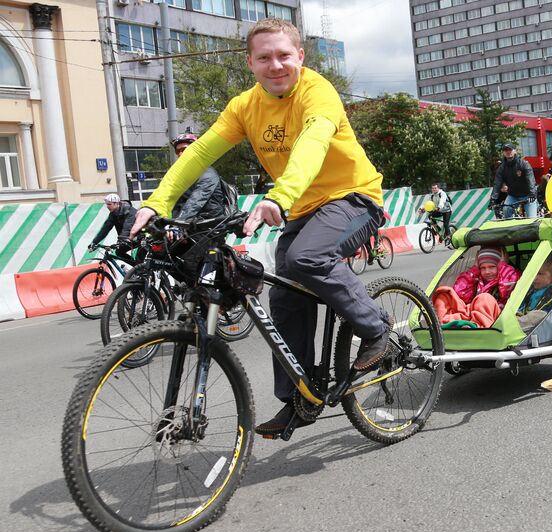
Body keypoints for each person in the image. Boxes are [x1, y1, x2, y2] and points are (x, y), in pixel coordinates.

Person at [129, 18, 389, 436]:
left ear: (300, 56)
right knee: (285, 296)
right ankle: (300, 397)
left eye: (285, 55)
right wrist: (157, 203)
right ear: (249, 62)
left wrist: (278, 196)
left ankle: (376, 328)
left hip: (353, 197)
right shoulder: (244, 107)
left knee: (308, 258)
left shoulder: (316, 92)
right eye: (264, 57)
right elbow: (197, 156)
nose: (276, 65)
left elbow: (314, 142)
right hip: (301, 207)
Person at [431, 246, 521, 328]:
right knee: (444, 293)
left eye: (492, 267)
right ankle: (443, 325)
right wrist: (475, 270)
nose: (487, 271)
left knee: (485, 298)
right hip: (474, 312)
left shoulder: (510, 276)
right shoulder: (477, 279)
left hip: (495, 315)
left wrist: (502, 265)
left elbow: (506, 289)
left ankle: (477, 327)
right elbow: (459, 292)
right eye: (483, 268)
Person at [169, 133, 230, 221]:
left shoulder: (207, 173)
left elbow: (196, 201)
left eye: (184, 149)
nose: (180, 154)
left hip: (211, 227)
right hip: (192, 224)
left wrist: (179, 222)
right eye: (177, 151)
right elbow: (176, 201)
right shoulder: (185, 175)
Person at [516, 253, 552, 332]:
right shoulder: (531, 291)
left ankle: (515, 326)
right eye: (534, 273)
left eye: (539, 274)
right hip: (526, 318)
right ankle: (515, 323)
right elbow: (523, 305)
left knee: (539, 315)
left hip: (544, 324)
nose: (534, 277)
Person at [490, 142, 537, 219]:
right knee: (506, 210)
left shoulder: (524, 164)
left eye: (510, 149)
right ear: (503, 152)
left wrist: (532, 193)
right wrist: (493, 199)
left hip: (528, 195)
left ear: (515, 151)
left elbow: (530, 179)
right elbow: (497, 184)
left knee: (533, 218)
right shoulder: (501, 168)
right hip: (513, 195)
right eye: (505, 150)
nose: (508, 152)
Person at [88, 193, 137, 260]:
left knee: (139, 261)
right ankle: (136, 268)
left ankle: (138, 268)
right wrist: (94, 242)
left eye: (109, 204)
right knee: (119, 252)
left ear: (117, 203)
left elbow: (127, 227)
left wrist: (121, 240)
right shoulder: (113, 214)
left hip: (140, 238)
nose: (107, 206)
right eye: (107, 204)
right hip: (128, 240)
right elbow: (105, 229)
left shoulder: (130, 212)